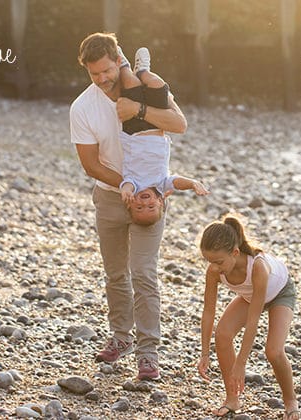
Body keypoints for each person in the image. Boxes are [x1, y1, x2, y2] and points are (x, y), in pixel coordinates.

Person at [70, 32, 187, 381]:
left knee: (144, 273)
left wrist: (139, 110)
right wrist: (126, 183)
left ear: (118, 59)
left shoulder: (146, 91)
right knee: (116, 274)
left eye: (107, 70)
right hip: (110, 196)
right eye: (95, 74)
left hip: (150, 199)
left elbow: (179, 125)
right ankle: (121, 338)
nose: (103, 79)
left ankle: (148, 353)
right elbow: (90, 164)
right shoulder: (83, 107)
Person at [197, 216, 300, 420]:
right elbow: (208, 312)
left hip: (280, 293)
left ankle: (290, 401)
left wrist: (241, 364)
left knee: (273, 351)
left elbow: (253, 320)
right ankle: (232, 399)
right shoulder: (214, 271)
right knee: (223, 334)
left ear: (235, 252)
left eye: (218, 262)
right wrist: (205, 353)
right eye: (210, 262)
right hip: (250, 296)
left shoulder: (258, 267)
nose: (214, 267)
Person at [114, 46, 208, 226]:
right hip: (157, 126)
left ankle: (123, 65)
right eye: (151, 207)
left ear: (131, 202)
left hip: (133, 131)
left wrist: (125, 192)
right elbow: (177, 182)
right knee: (157, 84)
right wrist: (192, 183)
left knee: (130, 83)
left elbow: (126, 185)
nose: (144, 204)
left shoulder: (134, 184)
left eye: (139, 208)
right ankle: (143, 70)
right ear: (161, 202)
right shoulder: (162, 184)